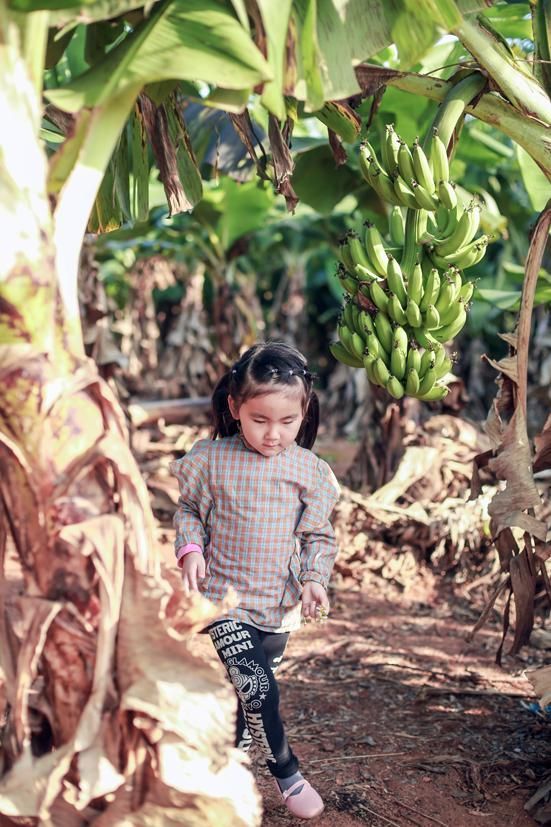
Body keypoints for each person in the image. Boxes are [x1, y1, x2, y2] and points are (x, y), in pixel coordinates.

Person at [169, 342, 340, 820]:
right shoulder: (211, 459)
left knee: (253, 685)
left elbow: (318, 537)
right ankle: (287, 773)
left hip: (278, 606)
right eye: (260, 419)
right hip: (223, 599)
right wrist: (191, 548)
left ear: (304, 414)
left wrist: (313, 580)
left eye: (288, 422)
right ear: (234, 408)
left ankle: (234, 745)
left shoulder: (310, 471)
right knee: (258, 686)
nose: (273, 434)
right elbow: (189, 512)